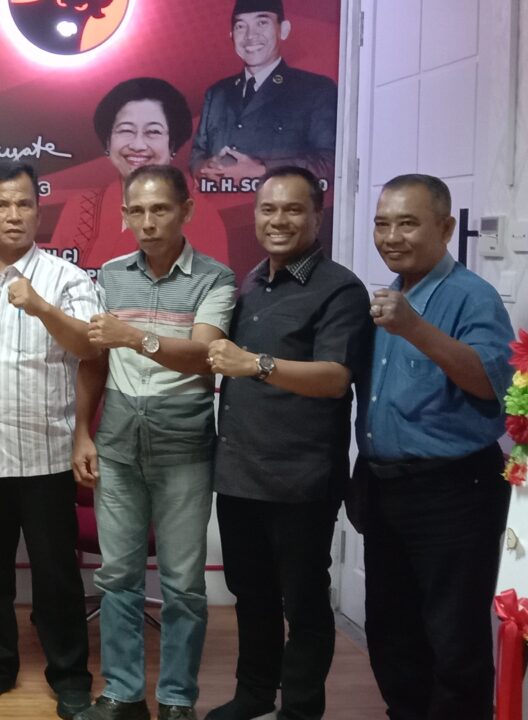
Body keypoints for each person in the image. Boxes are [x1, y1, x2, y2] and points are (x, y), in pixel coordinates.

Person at [203, 167, 372, 720]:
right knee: (250, 594)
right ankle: (254, 694)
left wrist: (255, 364)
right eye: (268, 209)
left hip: (302, 479)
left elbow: (335, 378)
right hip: (239, 473)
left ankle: (300, 709)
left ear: (317, 216)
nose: (279, 220)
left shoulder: (339, 289)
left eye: (293, 209)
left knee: (303, 602)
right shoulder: (250, 282)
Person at [73, 165, 236, 720]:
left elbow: (206, 355)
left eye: (160, 209)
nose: (148, 222)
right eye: (137, 211)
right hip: (117, 443)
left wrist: (135, 336)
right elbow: (94, 361)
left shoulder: (215, 278)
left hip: (184, 446)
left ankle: (176, 700)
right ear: (124, 215)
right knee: (117, 577)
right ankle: (123, 693)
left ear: (185, 211)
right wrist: (82, 432)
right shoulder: (110, 275)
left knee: (183, 584)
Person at [354, 174, 514, 720]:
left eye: (408, 223)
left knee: (454, 640)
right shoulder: (388, 295)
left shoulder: (472, 296)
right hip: (385, 489)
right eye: (382, 223)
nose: (391, 236)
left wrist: (416, 329)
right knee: (391, 632)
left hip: (454, 491)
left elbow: (490, 383)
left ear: (445, 229)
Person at [0, 162, 96, 720]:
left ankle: (69, 674)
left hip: (45, 453)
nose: (13, 215)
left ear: (38, 211)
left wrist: (41, 307)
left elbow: (91, 349)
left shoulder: (67, 279)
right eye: (2, 205)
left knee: (56, 576)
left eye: (23, 204)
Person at [54, 77, 235, 271]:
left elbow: (210, 286)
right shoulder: (80, 206)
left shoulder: (198, 215)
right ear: (108, 141)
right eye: (126, 130)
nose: (138, 145)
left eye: (153, 132)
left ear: (172, 143)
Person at [190, 0, 337, 188]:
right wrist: (204, 168)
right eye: (241, 26)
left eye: (262, 23)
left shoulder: (316, 89)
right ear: (231, 36)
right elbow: (197, 153)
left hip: (279, 204)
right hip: (219, 203)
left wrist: (262, 170)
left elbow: (330, 162)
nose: (250, 36)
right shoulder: (217, 93)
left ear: (283, 30)